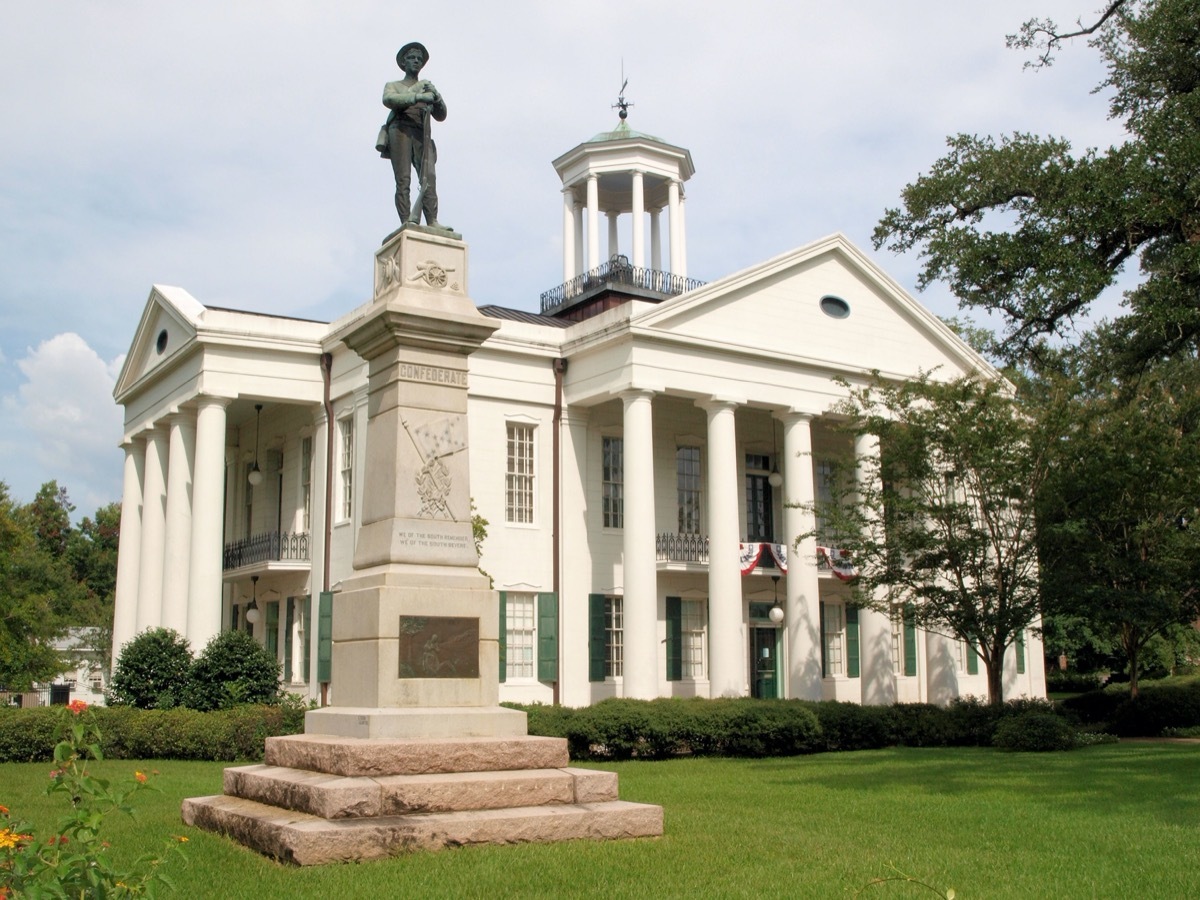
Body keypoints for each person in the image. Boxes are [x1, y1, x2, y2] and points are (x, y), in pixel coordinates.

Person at [378, 42, 447, 227]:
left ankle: (432, 220)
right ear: (403, 62)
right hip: (400, 129)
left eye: (419, 59)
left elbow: (441, 115)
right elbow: (389, 99)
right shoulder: (394, 85)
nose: (416, 61)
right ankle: (406, 221)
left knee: (429, 178)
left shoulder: (426, 86)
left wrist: (436, 97)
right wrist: (417, 96)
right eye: (412, 58)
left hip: (421, 133)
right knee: (403, 179)